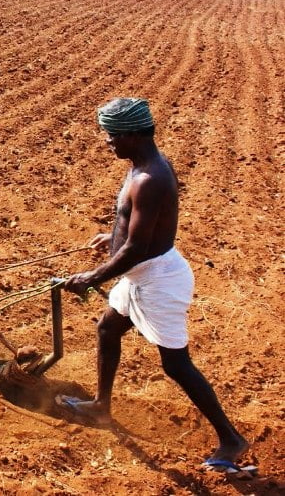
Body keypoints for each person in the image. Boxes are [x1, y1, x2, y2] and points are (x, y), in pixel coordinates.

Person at [57, 97, 249, 470]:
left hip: (158, 280)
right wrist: (108, 237)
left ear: (132, 134)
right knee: (108, 328)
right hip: (142, 274)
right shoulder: (142, 167)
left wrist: (91, 277)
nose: (106, 141)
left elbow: (137, 248)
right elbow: (136, 232)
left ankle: (232, 439)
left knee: (176, 365)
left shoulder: (150, 179)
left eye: (112, 135)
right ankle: (100, 406)